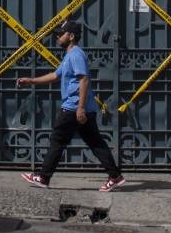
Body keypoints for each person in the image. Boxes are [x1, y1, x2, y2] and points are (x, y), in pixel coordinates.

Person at [16, 20, 126, 192]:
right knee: (95, 143)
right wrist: (30, 81)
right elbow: (55, 76)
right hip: (81, 109)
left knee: (57, 140)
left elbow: (84, 79)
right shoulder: (69, 56)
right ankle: (115, 176)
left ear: (72, 36)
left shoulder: (76, 55)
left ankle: (43, 177)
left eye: (62, 34)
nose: (58, 37)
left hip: (74, 108)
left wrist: (80, 108)